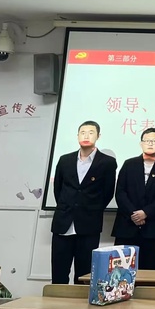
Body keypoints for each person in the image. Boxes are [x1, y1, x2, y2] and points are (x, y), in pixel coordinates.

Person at [50, 121, 117, 284]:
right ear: (77, 136)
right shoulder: (65, 160)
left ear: (98, 136)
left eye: (91, 132)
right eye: (83, 132)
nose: (86, 136)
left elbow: (107, 193)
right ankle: (56, 300)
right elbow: (58, 189)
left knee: (84, 273)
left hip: (89, 224)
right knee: (59, 271)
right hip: (63, 223)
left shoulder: (107, 162)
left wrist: (90, 209)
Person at [111, 128, 155, 270]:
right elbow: (120, 192)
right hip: (128, 226)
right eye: (147, 140)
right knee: (123, 271)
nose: (150, 143)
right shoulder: (129, 164)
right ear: (141, 143)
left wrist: (146, 212)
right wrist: (133, 213)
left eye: (154, 141)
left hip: (154, 227)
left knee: (152, 269)